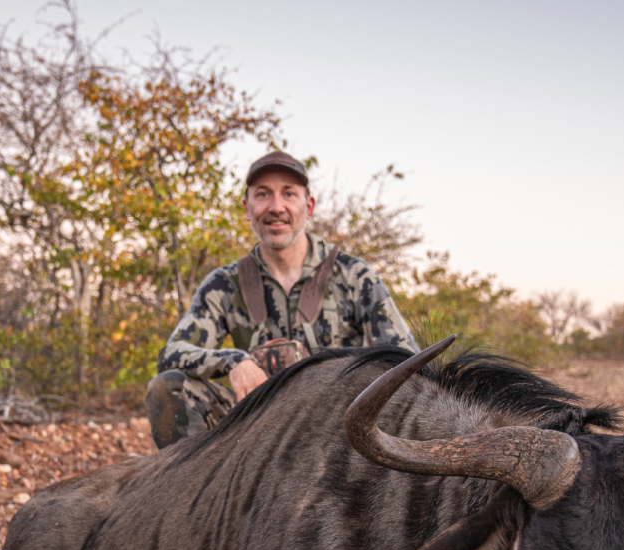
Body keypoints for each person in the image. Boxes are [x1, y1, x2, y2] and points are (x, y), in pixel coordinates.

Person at [145, 150, 419, 448]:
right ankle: (195, 492)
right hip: (255, 428)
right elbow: (171, 353)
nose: (276, 207)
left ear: (308, 206)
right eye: (263, 195)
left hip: (337, 433)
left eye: (289, 194)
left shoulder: (354, 276)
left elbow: (408, 363)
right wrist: (234, 360)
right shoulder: (224, 284)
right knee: (168, 388)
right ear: (246, 208)